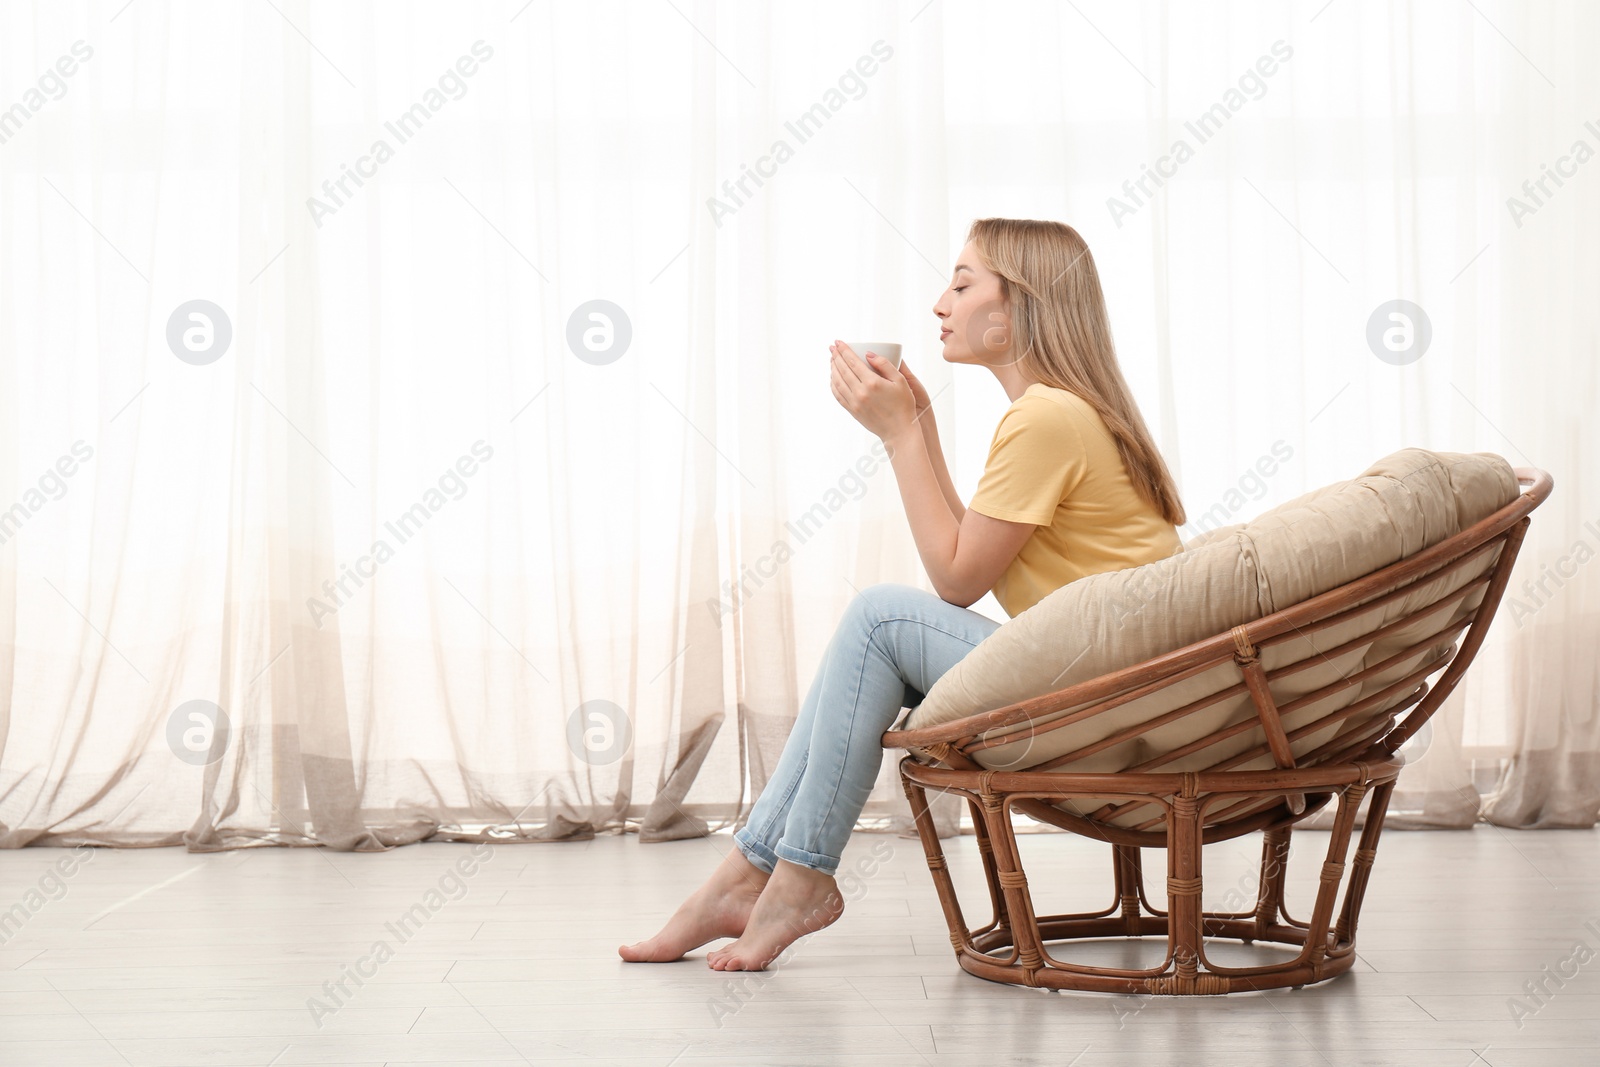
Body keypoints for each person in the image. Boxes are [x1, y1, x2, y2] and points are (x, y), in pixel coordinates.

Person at [619, 217, 1187, 971]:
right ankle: (754, 874)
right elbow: (967, 552)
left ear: (1016, 305)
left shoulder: (1047, 418)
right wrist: (915, 422)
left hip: (1102, 705)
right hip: (1104, 689)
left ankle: (787, 876)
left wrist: (899, 439)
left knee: (879, 618)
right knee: (876, 632)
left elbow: (955, 579)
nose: (938, 304)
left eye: (960, 283)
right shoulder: (1059, 412)